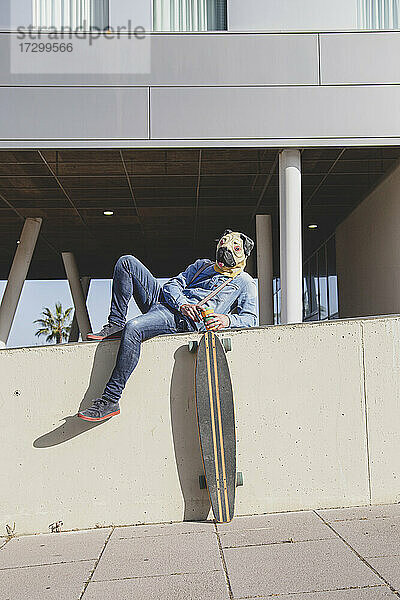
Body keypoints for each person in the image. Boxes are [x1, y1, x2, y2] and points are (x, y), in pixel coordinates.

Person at [78, 229, 257, 422]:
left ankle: (110, 400)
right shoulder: (201, 265)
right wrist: (182, 303)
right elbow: (172, 285)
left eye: (235, 248)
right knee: (127, 262)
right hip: (166, 301)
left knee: (134, 328)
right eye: (222, 244)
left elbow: (251, 318)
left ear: (244, 253)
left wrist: (227, 320)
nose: (225, 250)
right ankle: (115, 324)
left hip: (181, 320)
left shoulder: (244, 282)